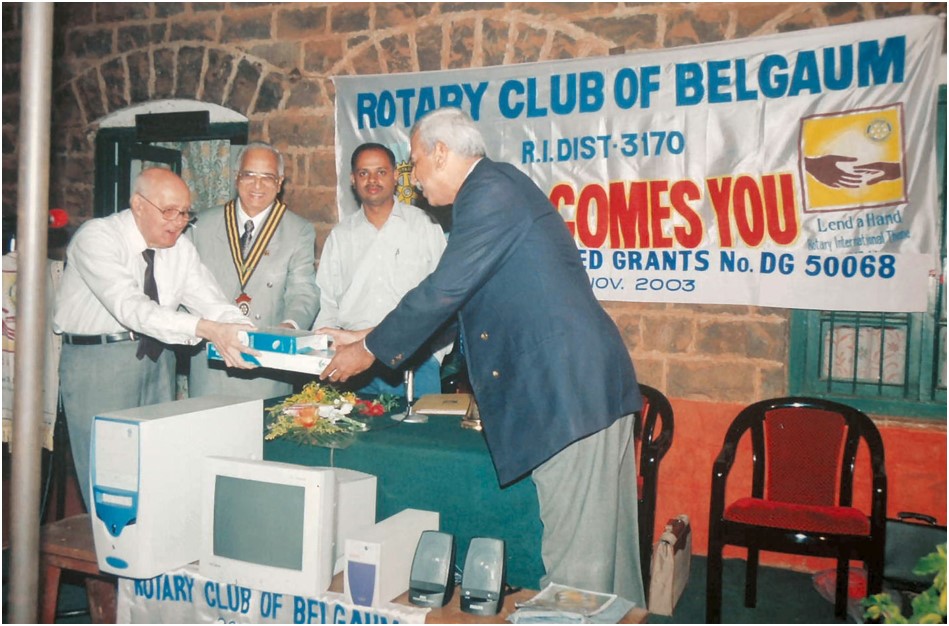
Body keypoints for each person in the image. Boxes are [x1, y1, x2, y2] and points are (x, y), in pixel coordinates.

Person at [319, 108, 646, 604]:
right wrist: (364, 333)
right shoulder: (494, 189)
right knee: (607, 552)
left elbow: (443, 291)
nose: (412, 179)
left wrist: (367, 351)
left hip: (568, 394)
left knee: (579, 563)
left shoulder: (489, 192)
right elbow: (459, 308)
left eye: (413, 163)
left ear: (440, 153)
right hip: (582, 388)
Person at [54, 167, 258, 509]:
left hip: (157, 358)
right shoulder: (97, 238)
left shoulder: (180, 247)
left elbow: (212, 302)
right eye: (169, 211)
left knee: (156, 470)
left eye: (185, 213)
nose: (178, 222)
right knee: (110, 477)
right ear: (138, 204)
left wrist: (245, 333)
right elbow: (133, 309)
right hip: (100, 363)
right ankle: (106, 540)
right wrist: (208, 330)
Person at [314, 142, 448, 397]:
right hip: (353, 364)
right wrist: (325, 352)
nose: (372, 180)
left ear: (396, 176)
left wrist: (433, 356)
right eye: (364, 173)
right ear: (353, 179)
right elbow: (327, 303)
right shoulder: (341, 236)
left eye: (381, 172)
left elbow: (445, 297)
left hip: (413, 361)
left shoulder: (424, 226)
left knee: (422, 425)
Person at [189, 142, 319, 400]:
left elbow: (303, 291)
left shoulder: (298, 230)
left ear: (279, 183)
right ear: (236, 177)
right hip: (211, 363)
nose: (257, 185)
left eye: (267, 177)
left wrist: (287, 329)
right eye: (249, 175)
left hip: (267, 364)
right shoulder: (201, 225)